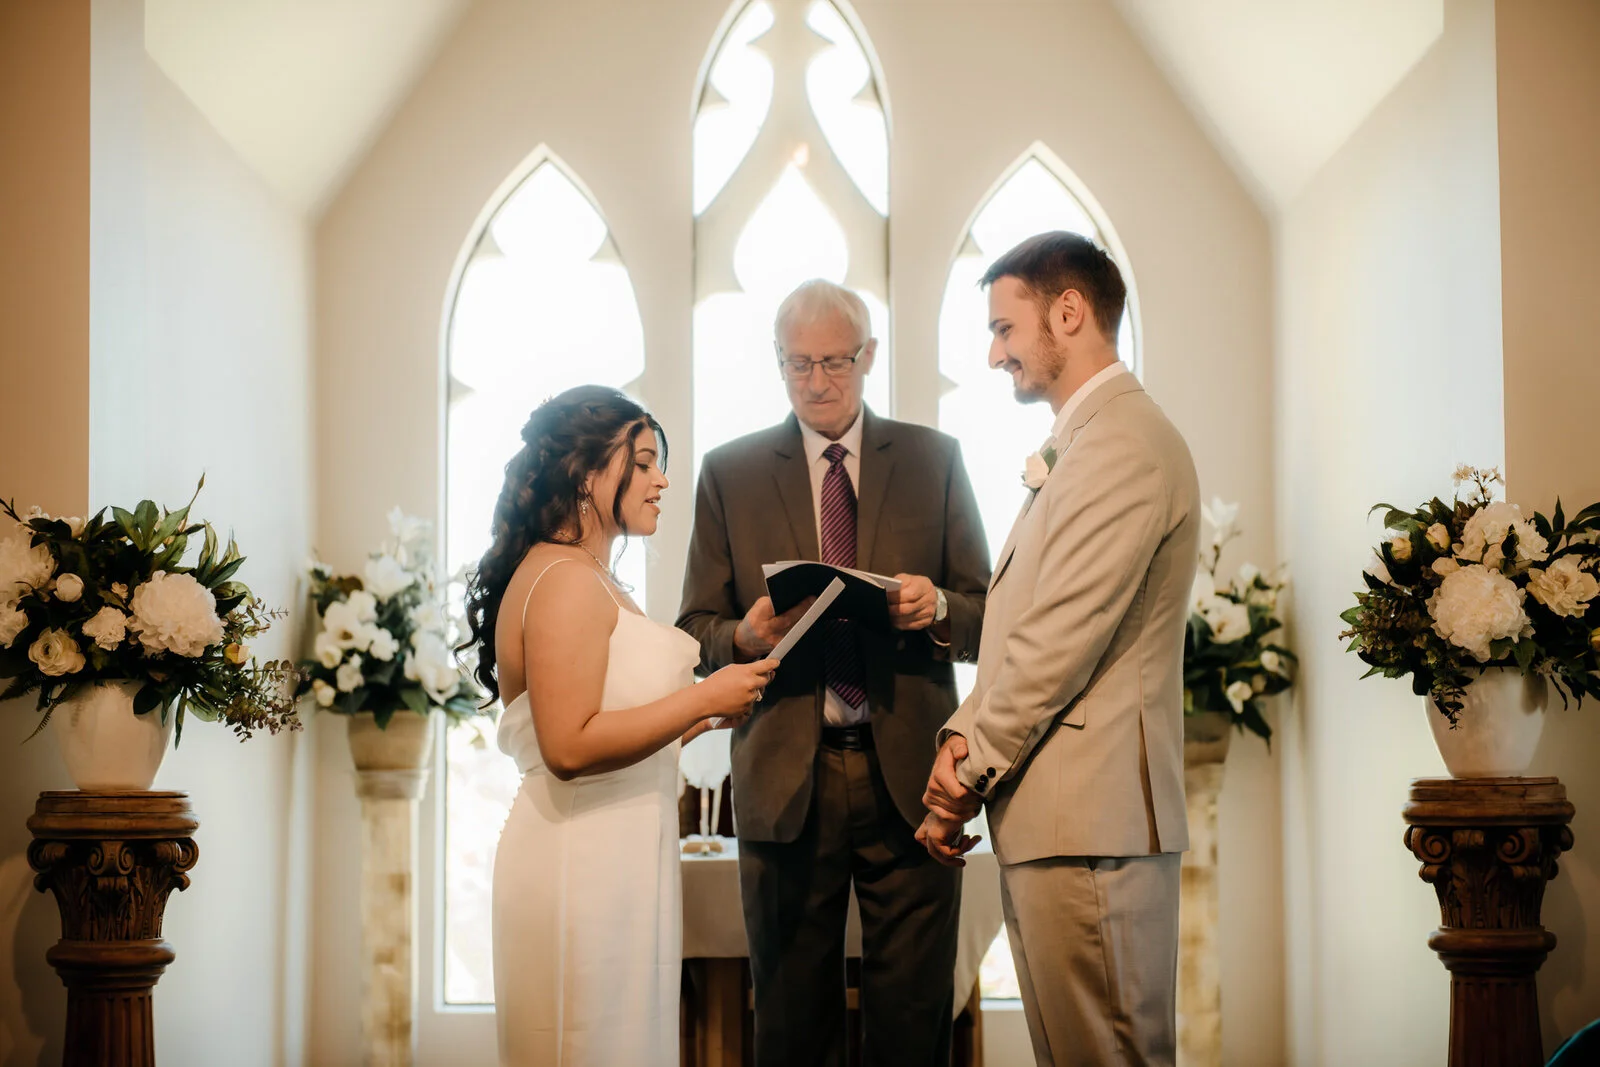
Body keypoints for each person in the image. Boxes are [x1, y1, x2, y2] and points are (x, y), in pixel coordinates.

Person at [677, 280, 991, 1066]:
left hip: (912, 777)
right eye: (798, 365)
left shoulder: (934, 460)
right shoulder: (731, 471)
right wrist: (743, 632)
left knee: (913, 1020)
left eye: (835, 362)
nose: (817, 382)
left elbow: (991, 614)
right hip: (786, 776)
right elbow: (694, 632)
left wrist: (937, 607)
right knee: (789, 1022)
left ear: (869, 356)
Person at [918, 232, 1199, 1066]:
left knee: (1109, 1053)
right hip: (1063, 816)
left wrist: (967, 761)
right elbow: (1028, 626)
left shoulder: (1120, 444)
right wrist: (966, 737)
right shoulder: (1087, 444)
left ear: (1068, 312)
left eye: (1006, 328)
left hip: (1093, 824)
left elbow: (1059, 638)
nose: (995, 351)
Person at [461, 385, 776, 1066]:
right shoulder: (567, 580)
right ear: (586, 473)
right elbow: (569, 746)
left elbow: (605, 721)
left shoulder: (590, 576)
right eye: (643, 462)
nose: (662, 478)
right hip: (581, 861)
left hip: (619, 858)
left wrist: (703, 717)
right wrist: (698, 698)